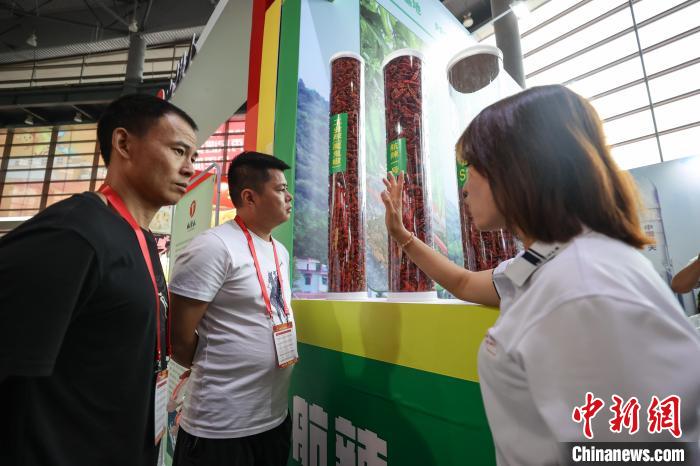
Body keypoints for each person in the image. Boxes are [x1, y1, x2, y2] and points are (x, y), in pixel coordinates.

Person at [381, 85, 700, 464]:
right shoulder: (552, 261)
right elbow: (464, 283)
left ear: (515, 168)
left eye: (472, 168)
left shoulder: (581, 289)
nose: (464, 188)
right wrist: (402, 235)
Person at [0, 94, 198, 466]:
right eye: (178, 151)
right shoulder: (73, 234)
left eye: (194, 157)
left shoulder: (139, 238)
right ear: (123, 143)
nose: (189, 168)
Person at [169, 151, 296, 466]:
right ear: (250, 197)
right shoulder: (213, 246)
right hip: (220, 428)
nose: (289, 196)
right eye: (280, 189)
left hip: (272, 419)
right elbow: (179, 339)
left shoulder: (279, 251)